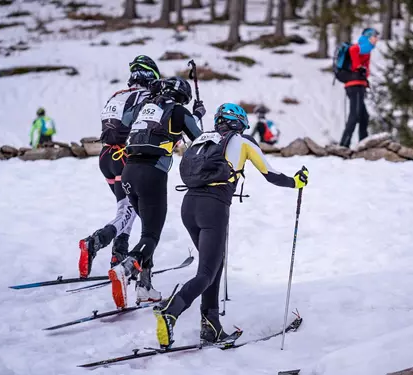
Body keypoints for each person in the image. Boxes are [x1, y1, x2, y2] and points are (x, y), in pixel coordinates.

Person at [153, 103, 309, 349]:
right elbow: (270, 174)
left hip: (188, 206)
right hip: (213, 209)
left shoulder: (201, 139)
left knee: (213, 266)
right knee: (207, 272)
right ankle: (171, 311)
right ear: (239, 122)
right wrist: (296, 182)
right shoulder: (242, 141)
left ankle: (211, 325)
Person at [108, 76, 205, 308]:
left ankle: (144, 287)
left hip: (128, 171)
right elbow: (199, 139)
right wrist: (197, 114)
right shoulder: (179, 111)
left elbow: (126, 120)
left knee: (146, 230)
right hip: (152, 174)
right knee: (151, 235)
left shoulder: (144, 107)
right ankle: (126, 268)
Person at [78, 55, 161, 279]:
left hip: (106, 156)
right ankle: (95, 241)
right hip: (128, 157)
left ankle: (119, 254)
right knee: (132, 210)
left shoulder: (116, 96)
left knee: (125, 209)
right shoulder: (146, 96)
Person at [339, 28, 379, 148]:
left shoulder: (367, 49)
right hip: (354, 85)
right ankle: (344, 145)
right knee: (355, 115)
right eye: (375, 36)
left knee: (363, 116)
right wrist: (358, 66)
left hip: (358, 85)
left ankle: (363, 143)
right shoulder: (363, 46)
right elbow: (353, 49)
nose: (377, 39)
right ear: (368, 37)